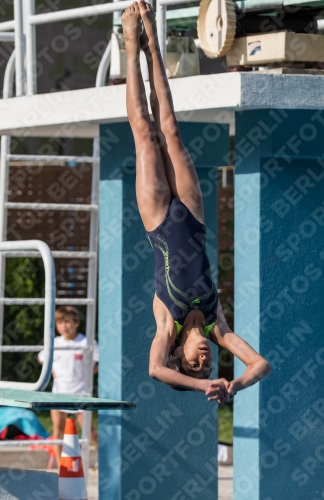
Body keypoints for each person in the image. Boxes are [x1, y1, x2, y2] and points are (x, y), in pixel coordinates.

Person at [121, 1, 271, 401]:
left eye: (195, 364)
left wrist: (200, 384)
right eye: (208, 365)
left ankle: (131, 44)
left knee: (144, 133)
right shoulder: (215, 325)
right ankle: (155, 40)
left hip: (157, 220)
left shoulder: (166, 327)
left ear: (180, 356)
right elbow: (261, 364)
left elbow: (154, 370)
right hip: (192, 215)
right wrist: (233, 384)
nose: (204, 361)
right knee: (169, 128)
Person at [38, 306, 98, 467]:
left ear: (76, 323)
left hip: (81, 395)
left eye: (67, 322)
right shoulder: (54, 343)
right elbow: (41, 358)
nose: (64, 326)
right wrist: (50, 370)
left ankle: (103, 463)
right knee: (57, 431)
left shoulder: (87, 342)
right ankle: (60, 467)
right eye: (60, 323)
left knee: (90, 432)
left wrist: (90, 372)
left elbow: (101, 360)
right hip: (58, 395)